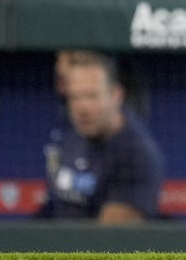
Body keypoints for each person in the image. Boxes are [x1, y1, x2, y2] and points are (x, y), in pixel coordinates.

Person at [36, 51, 163, 222]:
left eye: (92, 96)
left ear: (116, 95)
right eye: (75, 97)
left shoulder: (137, 154)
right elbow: (54, 207)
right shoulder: (73, 137)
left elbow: (109, 241)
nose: (83, 108)